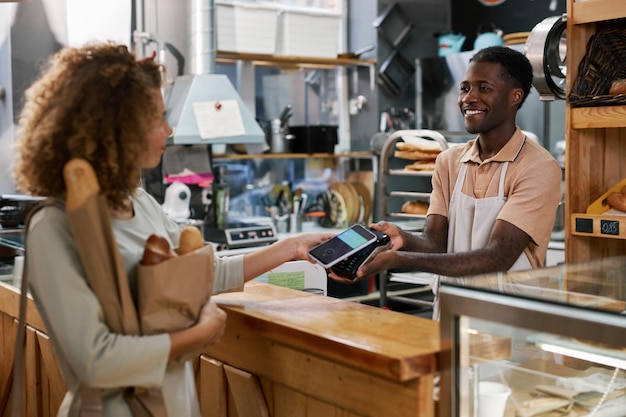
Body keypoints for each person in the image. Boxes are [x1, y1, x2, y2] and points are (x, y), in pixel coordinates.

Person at [12, 42, 334, 417]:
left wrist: (289, 247)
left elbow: (196, 275)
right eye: (157, 118)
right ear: (114, 129)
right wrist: (199, 335)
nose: (168, 129)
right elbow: (94, 363)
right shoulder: (55, 226)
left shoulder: (140, 202)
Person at [333, 46, 562, 319]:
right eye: (465, 88)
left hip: (509, 318)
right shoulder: (450, 161)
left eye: (484, 88)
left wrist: (398, 260)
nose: (469, 98)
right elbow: (435, 243)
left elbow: (498, 256)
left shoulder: (537, 166)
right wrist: (401, 238)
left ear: (515, 96)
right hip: (453, 312)